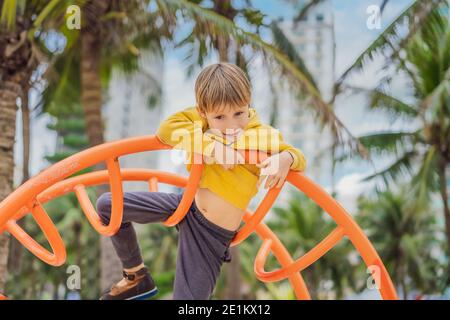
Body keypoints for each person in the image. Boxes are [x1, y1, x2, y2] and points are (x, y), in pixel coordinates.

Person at [97, 62, 307, 300]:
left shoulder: (262, 135)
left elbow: (298, 156)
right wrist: (212, 146)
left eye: (239, 113)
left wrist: (285, 159)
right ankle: (137, 277)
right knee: (108, 204)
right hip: (186, 204)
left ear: (249, 103)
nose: (231, 126)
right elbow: (166, 130)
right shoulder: (202, 124)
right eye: (220, 117)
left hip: (210, 234)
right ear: (203, 111)